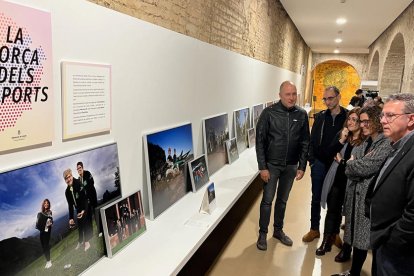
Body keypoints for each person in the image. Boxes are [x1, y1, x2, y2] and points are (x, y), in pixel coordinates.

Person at [332, 105, 392, 276]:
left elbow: (364, 167)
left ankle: (355, 272)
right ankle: (353, 272)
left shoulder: (384, 143)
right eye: (362, 121)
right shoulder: (366, 141)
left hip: (366, 199)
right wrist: (353, 165)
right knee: (354, 234)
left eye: (367, 121)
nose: (363, 125)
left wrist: (349, 163)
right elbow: (356, 166)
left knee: (362, 239)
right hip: (354, 196)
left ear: (376, 121)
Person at [255, 81, 310, 250]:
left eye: (294, 94)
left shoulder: (301, 114)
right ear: (280, 95)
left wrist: (302, 166)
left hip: (291, 166)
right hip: (271, 166)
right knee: (267, 201)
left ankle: (278, 231)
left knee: (282, 201)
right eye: (288, 94)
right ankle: (263, 234)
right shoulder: (268, 113)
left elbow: (305, 142)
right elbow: (260, 141)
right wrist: (262, 167)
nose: (291, 97)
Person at [366, 93, 414, 276]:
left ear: (410, 120)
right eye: (382, 115)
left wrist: (391, 241)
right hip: (384, 240)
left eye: (390, 116)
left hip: (398, 250)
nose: (383, 121)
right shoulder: (397, 144)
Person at [316, 108, 363, 258]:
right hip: (337, 180)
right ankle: (325, 242)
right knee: (332, 211)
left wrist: (342, 162)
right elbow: (328, 154)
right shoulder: (343, 135)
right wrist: (341, 140)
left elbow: (357, 165)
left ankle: (347, 248)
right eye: (349, 119)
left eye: (355, 120)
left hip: (353, 182)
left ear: (361, 123)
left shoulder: (364, 141)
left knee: (349, 216)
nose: (351, 122)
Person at [303, 86, 348, 243]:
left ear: (338, 97)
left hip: (337, 165)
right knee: (316, 197)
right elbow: (312, 139)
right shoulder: (321, 117)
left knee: (335, 200)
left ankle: (333, 233)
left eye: (330, 98)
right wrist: (312, 160)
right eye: (325, 99)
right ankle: (314, 229)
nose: (327, 102)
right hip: (319, 163)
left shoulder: (348, 117)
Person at [64, 168, 93, 252]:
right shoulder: (67, 192)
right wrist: (71, 218)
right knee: (80, 226)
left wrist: (83, 210)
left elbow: (84, 198)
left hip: (85, 204)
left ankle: (87, 242)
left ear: (72, 176)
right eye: (66, 178)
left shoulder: (78, 183)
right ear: (65, 180)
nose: (68, 179)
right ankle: (80, 241)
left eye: (69, 177)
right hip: (78, 208)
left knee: (84, 222)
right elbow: (70, 205)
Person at [36, 199, 53, 269]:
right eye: (45, 203)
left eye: (47, 203)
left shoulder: (49, 212)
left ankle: (49, 262)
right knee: (43, 247)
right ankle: (47, 261)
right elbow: (37, 224)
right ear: (43, 204)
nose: (46, 204)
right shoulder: (40, 213)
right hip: (41, 232)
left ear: (48, 204)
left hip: (47, 231)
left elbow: (50, 221)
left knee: (46, 245)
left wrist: (50, 223)